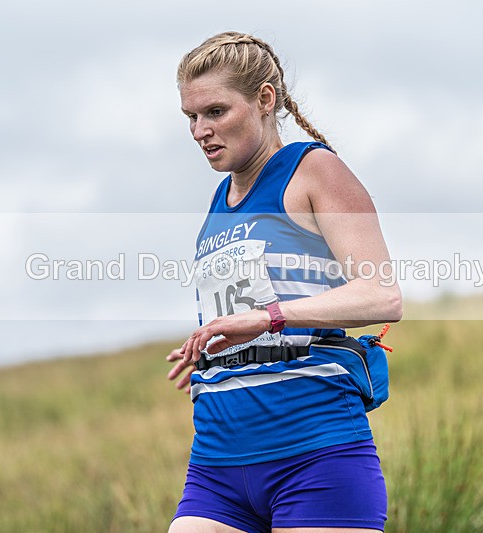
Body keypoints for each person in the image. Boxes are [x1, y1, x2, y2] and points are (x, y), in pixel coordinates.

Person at [165, 31, 402, 533]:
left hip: (314, 454)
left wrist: (268, 318)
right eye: (191, 117)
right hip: (217, 462)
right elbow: (250, 303)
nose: (199, 130)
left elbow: (381, 294)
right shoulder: (218, 200)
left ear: (265, 100)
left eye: (215, 111)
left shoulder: (314, 171)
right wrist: (214, 352)